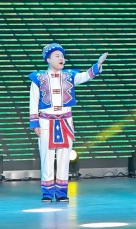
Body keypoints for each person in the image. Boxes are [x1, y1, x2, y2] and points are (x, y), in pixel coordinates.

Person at [28, 43, 108, 202]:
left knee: (64, 158)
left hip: (65, 122)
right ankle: (47, 193)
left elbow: (85, 76)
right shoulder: (38, 78)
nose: (61, 59)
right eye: (57, 56)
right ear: (48, 59)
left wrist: (97, 65)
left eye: (62, 56)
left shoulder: (69, 75)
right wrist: (35, 123)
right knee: (47, 158)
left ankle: (62, 192)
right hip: (46, 122)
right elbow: (33, 101)